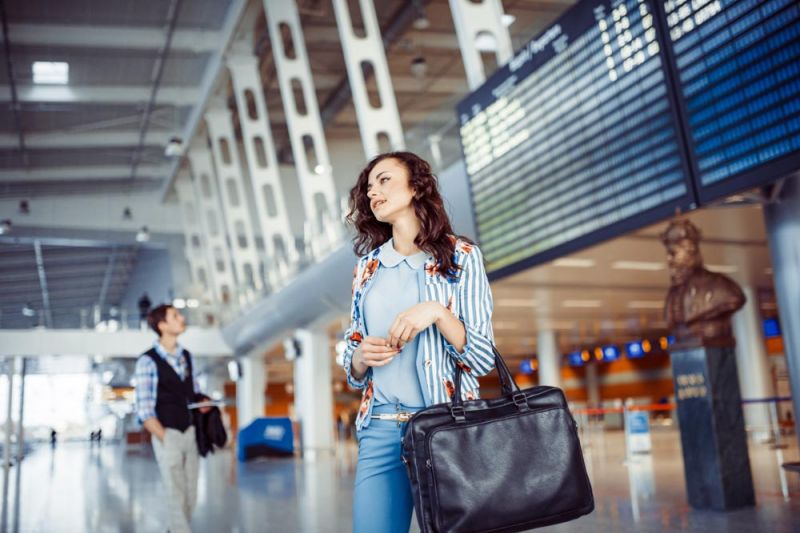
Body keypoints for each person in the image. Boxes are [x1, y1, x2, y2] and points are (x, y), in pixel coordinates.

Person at [342, 152, 496, 533]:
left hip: (444, 428)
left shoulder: (461, 257)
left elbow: (481, 358)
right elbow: (353, 355)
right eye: (368, 187)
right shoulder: (368, 267)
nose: (373, 192)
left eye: (384, 180)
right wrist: (359, 357)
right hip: (379, 428)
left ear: (416, 187)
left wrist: (438, 313)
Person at [134, 304, 207, 533]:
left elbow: (191, 393)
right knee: (175, 495)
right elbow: (145, 410)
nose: (182, 318)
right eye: (175, 316)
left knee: (190, 495)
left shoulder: (187, 356)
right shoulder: (147, 361)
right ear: (162, 325)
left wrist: (203, 402)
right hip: (168, 433)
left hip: (190, 432)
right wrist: (166, 438)